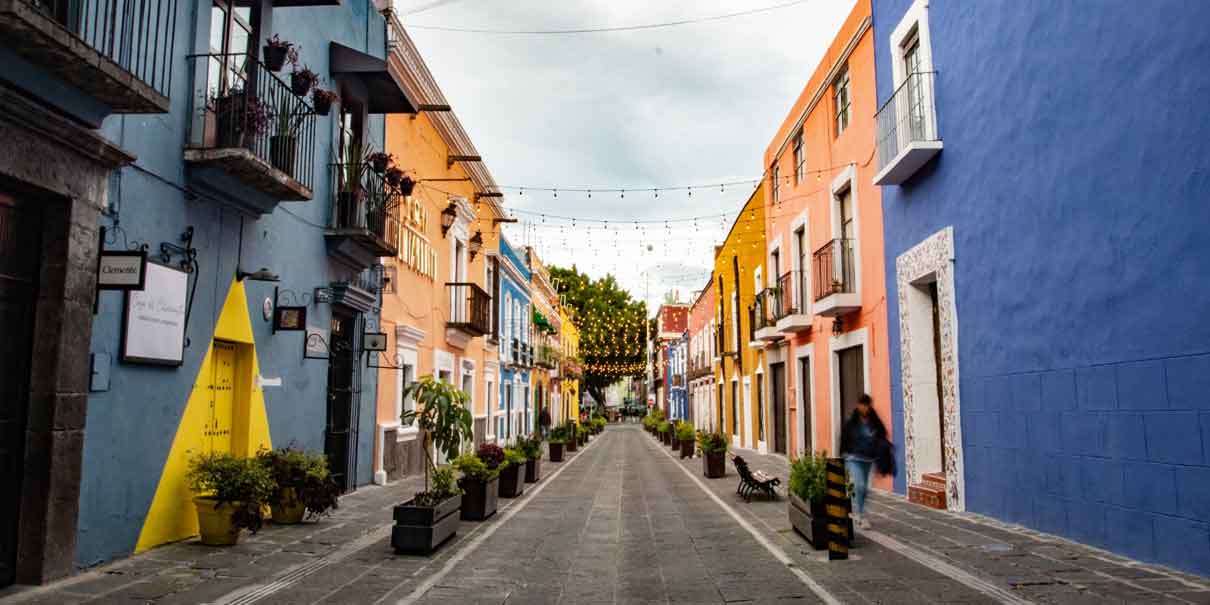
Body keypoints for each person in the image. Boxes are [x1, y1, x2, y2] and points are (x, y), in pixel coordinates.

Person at [839, 393, 891, 530]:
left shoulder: (874, 421)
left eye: (867, 405)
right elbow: (844, 437)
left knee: (865, 489)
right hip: (853, 458)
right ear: (859, 405)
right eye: (863, 405)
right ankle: (861, 515)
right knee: (860, 485)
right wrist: (842, 456)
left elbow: (882, 435)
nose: (865, 408)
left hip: (868, 459)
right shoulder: (852, 421)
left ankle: (860, 511)